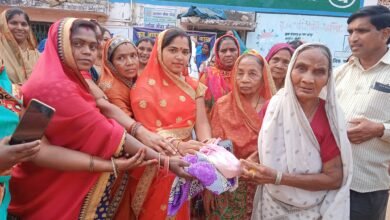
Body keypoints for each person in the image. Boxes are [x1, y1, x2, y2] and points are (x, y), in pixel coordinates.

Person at [8, 18, 190, 219]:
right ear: (59, 46)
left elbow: (103, 108)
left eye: (93, 46)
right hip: (52, 191)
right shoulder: (53, 87)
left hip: (54, 182)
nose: (87, 51)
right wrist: (164, 160)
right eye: (78, 44)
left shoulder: (67, 80)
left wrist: (140, 134)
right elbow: (105, 131)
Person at [241, 43, 352, 219]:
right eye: (301, 68)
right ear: (291, 70)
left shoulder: (330, 119)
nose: (308, 79)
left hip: (308, 211)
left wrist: (278, 178)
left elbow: (334, 178)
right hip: (270, 205)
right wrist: (253, 161)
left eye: (319, 72)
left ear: (328, 78)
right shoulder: (273, 106)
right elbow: (270, 147)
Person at [130, 28, 212, 219]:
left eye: (185, 52)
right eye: (173, 50)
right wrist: (178, 146)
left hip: (186, 160)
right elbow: (147, 129)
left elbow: (201, 124)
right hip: (155, 160)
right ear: (159, 50)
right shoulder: (143, 87)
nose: (179, 57)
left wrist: (208, 146)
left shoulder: (193, 85)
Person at [334, 5, 390, 220]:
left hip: (367, 186)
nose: (353, 38)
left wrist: (379, 129)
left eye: (362, 31)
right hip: (328, 180)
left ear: (385, 33)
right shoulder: (339, 73)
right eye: (350, 32)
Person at [206, 50, 276, 219]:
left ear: (263, 77)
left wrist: (257, 157)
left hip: (261, 181)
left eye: (252, 74)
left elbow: (278, 144)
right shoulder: (223, 105)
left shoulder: (273, 107)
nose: (245, 79)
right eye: (240, 73)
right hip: (228, 184)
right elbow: (215, 149)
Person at [200, 34, 240, 112]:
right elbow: (202, 107)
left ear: (238, 51)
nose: (228, 54)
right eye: (223, 51)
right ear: (217, 53)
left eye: (232, 50)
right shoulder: (208, 75)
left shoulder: (244, 74)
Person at [0, 8, 40, 84]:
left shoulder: (37, 55)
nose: (19, 28)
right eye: (14, 23)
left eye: (24, 24)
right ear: (3, 25)